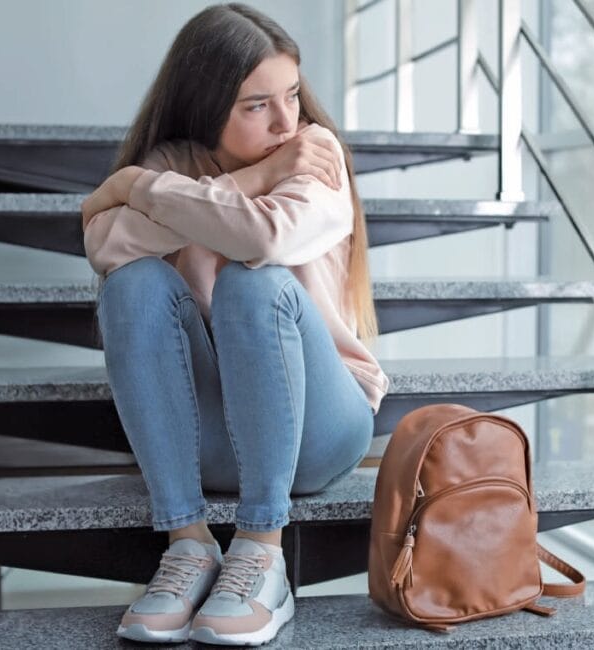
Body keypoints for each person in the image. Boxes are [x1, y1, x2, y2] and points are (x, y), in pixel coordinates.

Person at [80, 3, 390, 645]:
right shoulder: (177, 161)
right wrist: (256, 177)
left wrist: (135, 187)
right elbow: (105, 244)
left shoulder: (315, 153)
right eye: (257, 105)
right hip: (210, 436)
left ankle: (262, 551)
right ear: (205, 105)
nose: (287, 122)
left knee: (256, 281)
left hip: (319, 428)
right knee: (131, 284)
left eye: (293, 95)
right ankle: (189, 545)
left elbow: (264, 233)